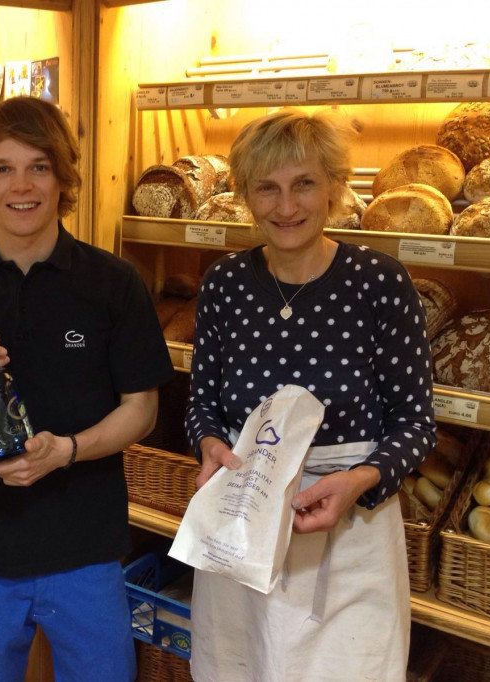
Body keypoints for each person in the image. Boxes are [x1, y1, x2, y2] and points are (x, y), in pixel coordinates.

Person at [0, 96, 174, 681]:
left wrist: (66, 451)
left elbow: (142, 410)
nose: (20, 185)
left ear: (62, 178)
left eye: (38, 167)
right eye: (2, 168)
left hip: (88, 552)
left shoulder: (114, 283)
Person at [184, 109, 437, 681]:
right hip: (243, 519)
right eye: (266, 189)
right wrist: (209, 445)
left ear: (334, 188)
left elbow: (416, 424)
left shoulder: (380, 282)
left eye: (304, 184)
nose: (287, 206)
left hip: (352, 529)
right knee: (237, 667)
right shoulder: (225, 283)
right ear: (246, 197)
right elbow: (201, 402)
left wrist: (360, 481)